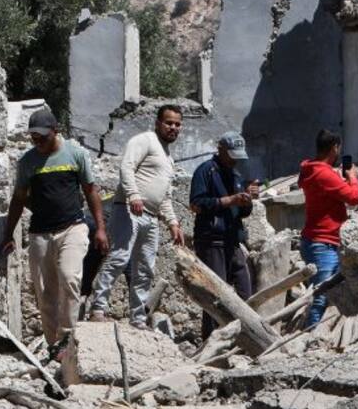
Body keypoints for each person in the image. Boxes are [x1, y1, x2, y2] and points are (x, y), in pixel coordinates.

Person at [0, 108, 108, 362]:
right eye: (33, 138)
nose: (37, 142)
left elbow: (91, 191)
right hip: (40, 233)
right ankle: (54, 344)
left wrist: (101, 228)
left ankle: (69, 337)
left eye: (42, 137)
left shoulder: (76, 154)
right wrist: (8, 234)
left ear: (55, 131)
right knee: (45, 291)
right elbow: (18, 199)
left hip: (72, 228)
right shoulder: (28, 162)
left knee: (70, 278)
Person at [88, 105, 185, 327]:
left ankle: (138, 317)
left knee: (145, 268)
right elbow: (126, 167)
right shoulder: (145, 140)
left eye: (177, 124)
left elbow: (165, 196)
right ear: (158, 123)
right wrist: (133, 195)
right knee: (119, 257)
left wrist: (173, 223)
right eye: (169, 123)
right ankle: (98, 307)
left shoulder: (168, 158)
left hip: (151, 217)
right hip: (128, 210)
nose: (173, 128)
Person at [189, 132, 260, 338]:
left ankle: (245, 337)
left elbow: (242, 213)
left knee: (244, 290)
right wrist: (230, 200)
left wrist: (247, 201)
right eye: (231, 155)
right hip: (212, 240)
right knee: (215, 294)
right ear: (220, 149)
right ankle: (210, 338)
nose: (235, 160)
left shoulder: (236, 176)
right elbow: (197, 204)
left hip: (233, 241)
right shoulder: (206, 171)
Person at [299, 129, 358, 328]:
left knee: (322, 292)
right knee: (321, 295)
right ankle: (311, 339)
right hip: (323, 243)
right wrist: (352, 176)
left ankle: (316, 334)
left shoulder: (311, 170)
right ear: (334, 147)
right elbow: (354, 197)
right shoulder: (324, 173)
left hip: (320, 241)